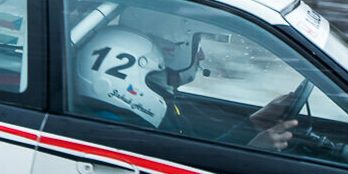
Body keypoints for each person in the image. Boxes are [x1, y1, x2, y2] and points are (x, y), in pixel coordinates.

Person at [74, 26, 303, 149]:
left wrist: (252, 125)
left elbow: (197, 152)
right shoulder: (115, 136)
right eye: (151, 77)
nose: (201, 55)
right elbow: (185, 172)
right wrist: (252, 154)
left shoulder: (152, 116)